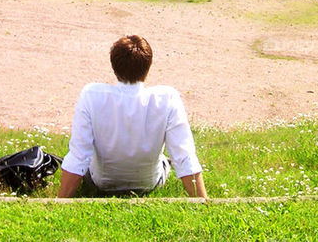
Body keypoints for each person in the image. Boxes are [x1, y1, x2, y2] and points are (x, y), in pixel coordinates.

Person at [57, 35, 207, 198]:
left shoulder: (91, 95)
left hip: (101, 182)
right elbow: (184, 156)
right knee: (165, 160)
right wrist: (203, 202)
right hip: (148, 183)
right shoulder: (167, 98)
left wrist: (59, 202)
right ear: (148, 66)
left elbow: (79, 155)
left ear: (114, 66)